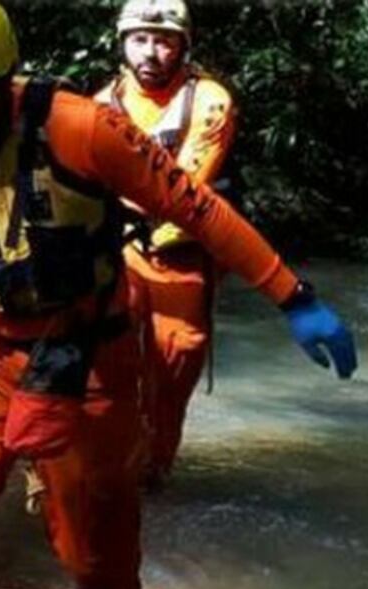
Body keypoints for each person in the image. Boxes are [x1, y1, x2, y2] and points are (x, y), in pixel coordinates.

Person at [0, 0, 356, 589]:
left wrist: (292, 294)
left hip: (89, 351)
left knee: (91, 542)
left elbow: (196, 208)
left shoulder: (83, 128)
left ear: (2, 83)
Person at [95, 0, 237, 487]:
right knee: (107, 363)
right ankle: (107, 465)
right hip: (119, 253)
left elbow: (186, 186)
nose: (151, 52)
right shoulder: (101, 103)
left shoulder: (209, 101)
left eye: (163, 40)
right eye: (140, 39)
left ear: (183, 46)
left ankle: (153, 474)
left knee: (174, 370)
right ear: (123, 43)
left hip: (181, 255)